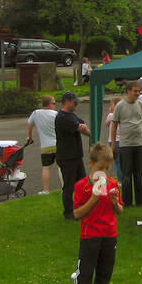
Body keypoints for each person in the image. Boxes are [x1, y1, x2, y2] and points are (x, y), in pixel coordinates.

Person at [67, 141, 122, 284]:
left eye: (108, 168)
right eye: (101, 168)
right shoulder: (81, 186)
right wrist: (94, 197)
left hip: (109, 235)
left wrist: (115, 203)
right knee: (85, 275)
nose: (104, 172)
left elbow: (120, 210)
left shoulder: (113, 183)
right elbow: (77, 213)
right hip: (90, 236)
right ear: (91, 164)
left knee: (105, 273)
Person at [110, 80, 142, 207]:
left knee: (139, 173)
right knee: (126, 175)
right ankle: (127, 201)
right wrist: (113, 144)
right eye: (135, 91)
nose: (138, 93)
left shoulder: (140, 105)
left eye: (139, 91)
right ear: (128, 91)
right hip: (125, 145)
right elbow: (114, 124)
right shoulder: (120, 106)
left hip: (139, 143)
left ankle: (141, 200)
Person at [55, 91, 91, 220]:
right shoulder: (62, 117)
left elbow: (83, 126)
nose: (76, 105)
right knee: (69, 186)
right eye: (74, 102)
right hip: (66, 156)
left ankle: (82, 208)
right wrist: (82, 128)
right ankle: (69, 212)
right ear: (67, 101)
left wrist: (83, 128)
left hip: (76, 155)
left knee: (82, 183)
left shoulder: (72, 115)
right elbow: (80, 128)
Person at [26, 95, 59, 194]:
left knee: (46, 168)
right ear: (49, 104)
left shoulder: (36, 113)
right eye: (54, 103)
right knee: (61, 167)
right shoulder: (56, 114)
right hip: (58, 144)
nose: (55, 105)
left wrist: (30, 137)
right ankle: (64, 188)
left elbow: (30, 125)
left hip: (45, 146)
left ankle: (46, 190)